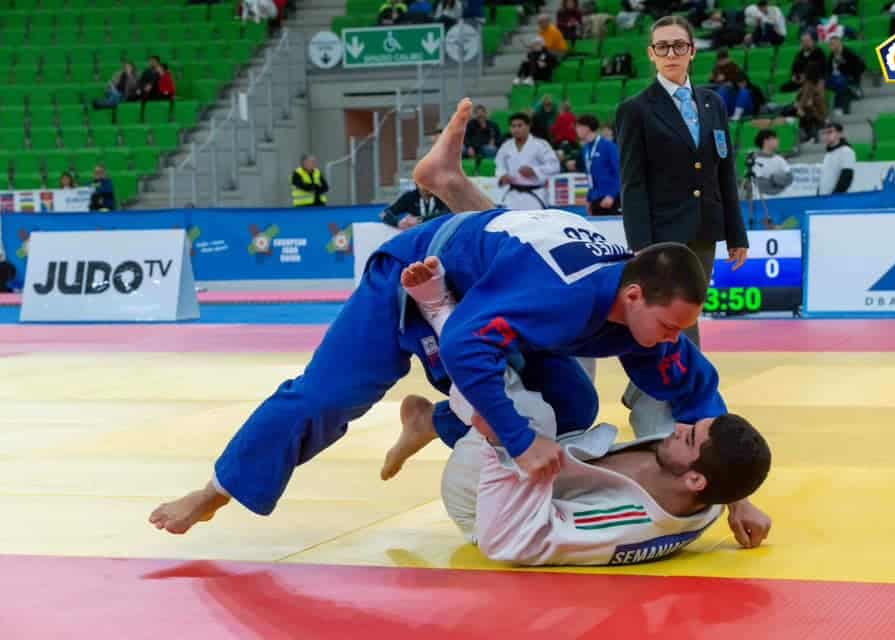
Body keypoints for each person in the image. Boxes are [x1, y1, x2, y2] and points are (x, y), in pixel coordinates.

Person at [149, 98, 738, 535]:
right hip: (412, 278)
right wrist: (518, 441)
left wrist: (736, 493)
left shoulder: (642, 303)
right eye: (669, 327)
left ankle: (431, 418)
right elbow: (463, 345)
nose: (674, 339)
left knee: (573, 407)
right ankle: (215, 490)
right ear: (633, 296)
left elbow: (699, 397)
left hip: (486, 270)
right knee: (326, 398)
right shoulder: (558, 294)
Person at [385, 255, 772, 565]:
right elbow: (720, 455)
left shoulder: (628, 523)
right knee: (606, 362)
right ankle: (430, 421)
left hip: (483, 503)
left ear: (695, 481)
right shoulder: (709, 485)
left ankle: (440, 310)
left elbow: (505, 539)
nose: (681, 428)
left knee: (530, 415)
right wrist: (739, 499)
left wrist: (502, 442)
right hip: (563, 462)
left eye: (688, 437)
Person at [615, 15, 748, 413]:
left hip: (704, 229)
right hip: (661, 234)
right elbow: (632, 184)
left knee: (688, 312)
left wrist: (736, 234)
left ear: (691, 51)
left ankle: (647, 391)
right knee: (675, 316)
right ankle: (693, 401)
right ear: (651, 54)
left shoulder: (713, 103)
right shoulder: (635, 110)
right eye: (662, 46)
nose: (670, 53)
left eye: (678, 45)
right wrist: (641, 247)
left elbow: (724, 171)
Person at [495, 112, 561, 208]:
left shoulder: (540, 145)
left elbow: (554, 166)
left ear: (528, 126)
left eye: (519, 126)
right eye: (513, 126)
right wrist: (502, 176)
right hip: (512, 195)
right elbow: (499, 165)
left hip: (535, 195)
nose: (516, 129)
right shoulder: (506, 146)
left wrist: (534, 171)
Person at [575, 114, 622, 215]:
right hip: (595, 199)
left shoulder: (608, 146)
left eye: (578, 127)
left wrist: (612, 195)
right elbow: (590, 175)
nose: (576, 130)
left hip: (610, 199)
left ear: (586, 128)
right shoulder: (585, 149)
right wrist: (589, 199)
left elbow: (619, 173)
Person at [380, 183, 450, 229]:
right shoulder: (410, 197)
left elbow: (448, 212)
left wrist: (420, 220)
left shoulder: (441, 195)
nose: (427, 187)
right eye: (423, 183)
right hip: (416, 234)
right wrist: (398, 223)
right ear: (417, 184)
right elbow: (384, 213)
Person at [818, 121, 856, 195]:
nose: (826, 135)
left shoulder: (846, 151)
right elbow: (823, 179)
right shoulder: (828, 154)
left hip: (836, 199)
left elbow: (846, 177)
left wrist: (834, 197)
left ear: (840, 134)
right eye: (824, 133)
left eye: (830, 132)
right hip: (824, 198)